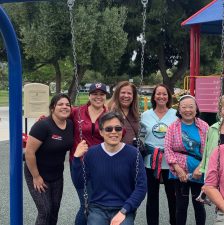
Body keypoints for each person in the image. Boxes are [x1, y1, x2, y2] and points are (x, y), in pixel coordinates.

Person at [71, 112, 147, 225]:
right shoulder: (92, 153)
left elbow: (141, 187)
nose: (114, 132)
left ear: (122, 130)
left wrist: (125, 210)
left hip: (123, 206)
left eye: (118, 128)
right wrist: (77, 158)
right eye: (109, 129)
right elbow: (80, 183)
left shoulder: (133, 154)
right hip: (97, 207)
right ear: (101, 132)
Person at [24, 93, 74, 225]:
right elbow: (29, 152)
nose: (64, 107)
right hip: (37, 173)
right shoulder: (43, 125)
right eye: (60, 104)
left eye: (67, 104)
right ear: (52, 108)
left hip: (57, 175)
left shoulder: (70, 124)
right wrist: (36, 176)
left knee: (54, 210)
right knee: (45, 211)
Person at [164, 95, 209, 225]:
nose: (187, 110)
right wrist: (178, 169)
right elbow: (167, 148)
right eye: (184, 107)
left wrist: (200, 168)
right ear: (179, 109)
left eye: (191, 106)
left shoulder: (204, 126)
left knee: (199, 205)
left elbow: (209, 151)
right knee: (181, 206)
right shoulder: (172, 127)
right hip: (178, 173)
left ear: (196, 109)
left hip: (199, 172)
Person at [70, 82, 109, 225]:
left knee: (96, 203)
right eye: (95, 94)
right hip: (79, 164)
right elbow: (59, 118)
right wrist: (44, 119)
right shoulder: (77, 112)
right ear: (89, 95)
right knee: (86, 203)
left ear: (105, 97)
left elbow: (119, 132)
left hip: (101, 165)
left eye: (101, 94)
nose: (98, 97)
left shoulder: (109, 114)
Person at [140, 84, 177, 225]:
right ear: (153, 96)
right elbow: (141, 135)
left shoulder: (175, 115)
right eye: (158, 94)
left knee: (173, 197)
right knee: (152, 197)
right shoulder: (145, 115)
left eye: (164, 94)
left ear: (168, 97)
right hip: (151, 160)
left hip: (171, 161)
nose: (161, 96)